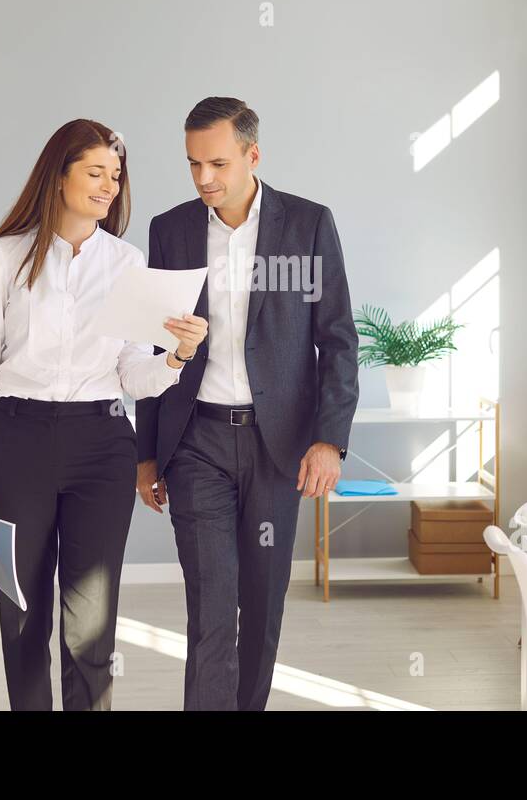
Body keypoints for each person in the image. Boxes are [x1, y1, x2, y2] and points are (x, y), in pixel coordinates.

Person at [0, 118, 208, 711]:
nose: (107, 187)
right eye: (95, 173)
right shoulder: (5, 257)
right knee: (20, 616)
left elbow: (132, 376)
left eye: (115, 177)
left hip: (101, 445)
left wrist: (178, 355)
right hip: (15, 443)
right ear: (58, 173)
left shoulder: (126, 261)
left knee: (90, 625)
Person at [136, 97, 359, 710]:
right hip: (196, 444)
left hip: (278, 447)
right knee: (211, 608)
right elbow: (153, 347)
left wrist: (329, 439)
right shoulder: (171, 230)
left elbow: (338, 339)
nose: (204, 178)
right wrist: (146, 455)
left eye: (217, 163)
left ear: (252, 155)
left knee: (261, 604)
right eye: (192, 165)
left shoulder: (308, 225)